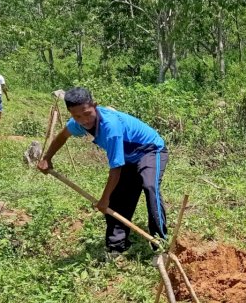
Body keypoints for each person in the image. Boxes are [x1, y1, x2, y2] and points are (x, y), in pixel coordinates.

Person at [37, 87, 168, 256]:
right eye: (77, 116)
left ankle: (161, 244)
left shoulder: (110, 127)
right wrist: (47, 158)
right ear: (71, 113)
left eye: (87, 113)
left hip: (150, 150)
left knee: (150, 187)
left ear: (95, 105)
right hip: (128, 156)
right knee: (119, 197)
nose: (84, 120)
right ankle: (116, 246)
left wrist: (103, 199)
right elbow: (62, 136)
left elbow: (115, 170)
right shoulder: (77, 124)